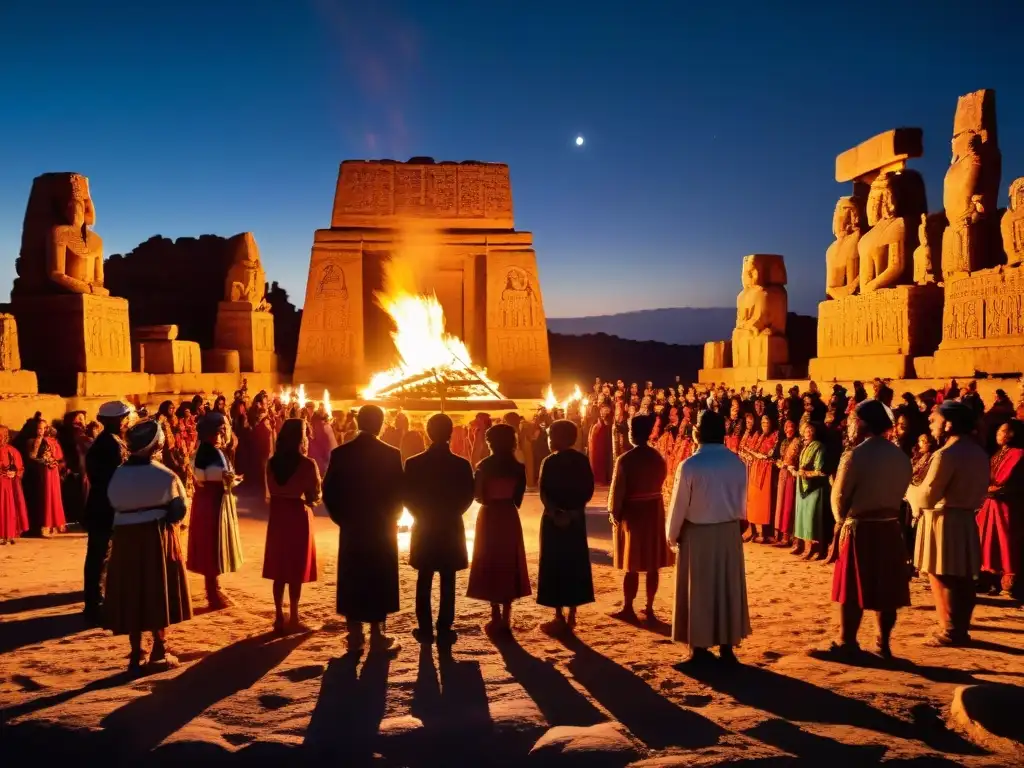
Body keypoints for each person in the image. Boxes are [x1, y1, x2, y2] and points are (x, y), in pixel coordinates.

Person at [827, 400, 913, 659]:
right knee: (886, 589)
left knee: (851, 589)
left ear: (863, 423)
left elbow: (840, 496)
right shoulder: (900, 455)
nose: (851, 424)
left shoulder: (855, 455)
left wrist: (840, 520)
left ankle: (847, 642)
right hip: (889, 526)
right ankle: (883, 643)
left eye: (853, 419)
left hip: (860, 527)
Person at [104, 420, 192, 670]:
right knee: (157, 591)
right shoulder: (166, 475)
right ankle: (159, 649)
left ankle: (135, 651)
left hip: (125, 539)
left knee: (132, 591)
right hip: (156, 537)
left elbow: (112, 502)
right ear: (157, 446)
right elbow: (178, 511)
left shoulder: (118, 474)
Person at [666, 409, 751, 664]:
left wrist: (672, 535)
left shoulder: (691, 465)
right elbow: (741, 504)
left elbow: (679, 504)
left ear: (698, 432)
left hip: (698, 534)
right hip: (728, 532)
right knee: (726, 588)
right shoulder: (737, 462)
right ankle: (727, 647)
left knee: (699, 591)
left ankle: (699, 650)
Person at [907, 400, 990, 646]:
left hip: (943, 519)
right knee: (962, 576)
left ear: (950, 423)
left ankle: (950, 630)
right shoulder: (978, 452)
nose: (930, 423)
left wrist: (907, 489)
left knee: (943, 574)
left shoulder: (946, 455)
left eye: (935, 419)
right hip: (965, 517)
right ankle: (959, 628)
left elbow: (928, 494)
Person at [323, 405, 404, 653]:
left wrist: (342, 519)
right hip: (381, 526)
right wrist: (392, 517)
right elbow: (399, 492)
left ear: (358, 424)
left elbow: (330, 491)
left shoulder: (341, 453)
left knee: (353, 574)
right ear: (379, 424)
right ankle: (378, 634)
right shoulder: (390, 453)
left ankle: (354, 634)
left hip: (353, 526)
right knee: (379, 575)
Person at [404, 413, 475, 646]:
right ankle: (444, 627)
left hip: (424, 524)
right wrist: (451, 513)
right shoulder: (461, 464)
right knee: (448, 578)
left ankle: (424, 628)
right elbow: (467, 496)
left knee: (424, 577)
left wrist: (420, 514)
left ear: (428, 433)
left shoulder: (413, 463)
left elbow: (408, 496)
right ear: (450, 433)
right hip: (449, 524)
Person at [608, 414, 673, 624]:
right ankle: (650, 607)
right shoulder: (658, 457)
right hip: (654, 510)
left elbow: (618, 490)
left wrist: (614, 512)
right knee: (652, 562)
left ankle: (628, 607)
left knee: (632, 563)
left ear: (633, 433)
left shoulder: (625, 459)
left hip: (634, 513)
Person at [466, 423, 530, 633]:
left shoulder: (484, 466)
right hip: (509, 514)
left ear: (490, 443)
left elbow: (478, 495)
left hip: (490, 514)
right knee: (509, 560)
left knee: (490, 559)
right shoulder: (518, 467)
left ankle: (495, 615)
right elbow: (518, 499)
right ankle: (507, 615)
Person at [537, 419, 596, 635]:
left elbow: (544, 492)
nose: (549, 439)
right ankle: (572, 614)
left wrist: (556, 513)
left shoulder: (549, 462)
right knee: (575, 563)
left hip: (554, 520)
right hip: (576, 519)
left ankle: (559, 615)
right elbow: (587, 490)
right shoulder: (581, 460)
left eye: (551, 435)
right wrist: (573, 512)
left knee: (554, 564)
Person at [263, 418, 322, 635]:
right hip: (297, 514)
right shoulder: (307, 464)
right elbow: (314, 495)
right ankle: (294, 616)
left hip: (278, 515)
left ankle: (279, 615)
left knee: (279, 568)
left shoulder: (271, 462)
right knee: (295, 568)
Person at [186, 412, 245, 609]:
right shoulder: (213, 452)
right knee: (213, 546)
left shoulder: (201, 451)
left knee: (208, 546)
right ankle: (213, 593)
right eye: (220, 432)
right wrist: (232, 479)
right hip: (214, 504)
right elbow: (220, 477)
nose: (223, 435)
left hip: (205, 503)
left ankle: (213, 589)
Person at [82, 401, 131, 623]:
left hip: (106, 506)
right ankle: (95, 606)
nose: (126, 421)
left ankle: (100, 602)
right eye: (123, 418)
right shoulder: (109, 445)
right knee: (100, 557)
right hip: (106, 508)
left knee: (103, 557)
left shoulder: (112, 441)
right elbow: (115, 477)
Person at [976, 419, 1024, 597]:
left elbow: (1006, 481)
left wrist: (990, 489)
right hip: (990, 505)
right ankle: (989, 580)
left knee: (1005, 543)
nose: (999, 434)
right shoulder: (997, 454)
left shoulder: (1018, 454)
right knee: (987, 542)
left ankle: (1009, 582)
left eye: (1003, 431)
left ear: (1012, 434)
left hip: (1006, 506)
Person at [15, 413, 67, 535]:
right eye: (39, 428)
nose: (42, 431)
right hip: (39, 473)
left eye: (44, 428)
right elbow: (32, 456)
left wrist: (53, 461)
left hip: (52, 471)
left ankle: (55, 523)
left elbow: (59, 457)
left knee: (54, 496)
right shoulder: (31, 441)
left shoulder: (52, 441)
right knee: (44, 496)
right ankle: (44, 524)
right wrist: (44, 460)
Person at [793, 421, 829, 560]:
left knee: (813, 518)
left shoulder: (819, 447)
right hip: (802, 485)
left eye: (810, 430)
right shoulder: (805, 446)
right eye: (805, 430)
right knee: (804, 517)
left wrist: (805, 473)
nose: (807, 432)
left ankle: (817, 550)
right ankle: (807, 548)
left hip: (814, 486)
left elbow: (819, 471)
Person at [745, 414, 779, 543]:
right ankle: (755, 531)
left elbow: (769, 455)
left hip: (767, 470)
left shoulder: (775, 435)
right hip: (756, 468)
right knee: (754, 501)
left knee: (765, 502)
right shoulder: (759, 435)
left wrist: (754, 454)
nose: (765, 425)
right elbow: (751, 449)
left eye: (767, 422)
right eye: (763, 422)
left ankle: (765, 532)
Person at [773, 418, 800, 549]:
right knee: (781, 504)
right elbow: (781, 457)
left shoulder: (797, 442)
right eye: (786, 427)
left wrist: (790, 466)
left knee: (789, 504)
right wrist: (780, 463)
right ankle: (781, 535)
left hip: (791, 474)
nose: (788, 430)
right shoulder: (784, 442)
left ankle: (788, 536)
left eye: (791, 427)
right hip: (783, 473)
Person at [0, 425, 28, 544]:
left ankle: (9, 533)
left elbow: (20, 468)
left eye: (3, 436)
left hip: (9, 486)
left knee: (9, 508)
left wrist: (15, 473)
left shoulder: (12, 451)